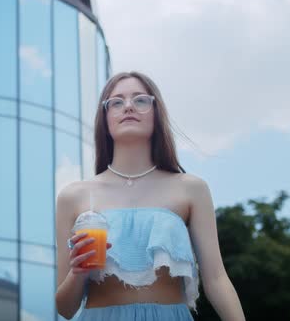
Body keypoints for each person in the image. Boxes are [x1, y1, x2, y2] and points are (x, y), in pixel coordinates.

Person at [55, 71, 246, 320]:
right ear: (106, 118)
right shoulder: (73, 196)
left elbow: (217, 278)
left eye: (140, 100)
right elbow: (65, 308)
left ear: (157, 113)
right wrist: (78, 272)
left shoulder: (191, 188)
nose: (129, 106)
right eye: (117, 102)